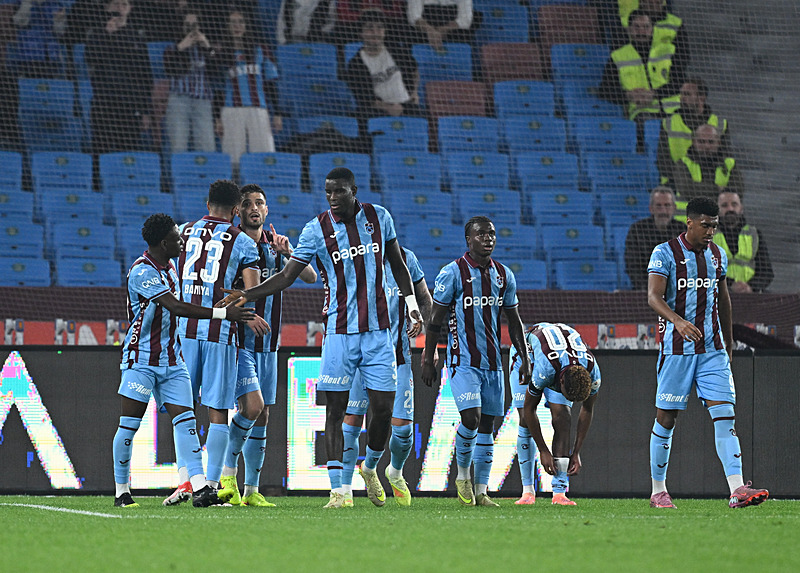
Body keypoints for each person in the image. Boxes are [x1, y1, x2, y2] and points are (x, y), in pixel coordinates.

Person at [215, 167, 423, 509]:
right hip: (339, 334)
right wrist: (247, 296)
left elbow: (398, 264)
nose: (332, 198)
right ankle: (339, 490)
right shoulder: (316, 229)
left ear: (353, 190)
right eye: (328, 193)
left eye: (338, 192)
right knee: (335, 411)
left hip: (379, 334)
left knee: (383, 411)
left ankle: (370, 468)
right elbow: (287, 277)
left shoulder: (378, 217)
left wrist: (413, 306)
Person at [113, 213, 255, 508]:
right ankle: (122, 491)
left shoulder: (172, 267)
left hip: (172, 359)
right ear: (164, 242)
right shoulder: (142, 271)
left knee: (186, 422)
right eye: (178, 238)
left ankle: (201, 487)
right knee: (129, 425)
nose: (182, 242)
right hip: (141, 359)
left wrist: (217, 306)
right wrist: (221, 315)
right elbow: (175, 306)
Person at [646, 196, 769, 509]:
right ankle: (658, 490)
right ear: (690, 222)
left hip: (712, 351)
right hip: (676, 350)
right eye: (706, 225)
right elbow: (653, 297)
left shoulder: (717, 255)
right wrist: (678, 321)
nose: (711, 231)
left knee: (725, 415)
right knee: (666, 419)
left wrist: (727, 343)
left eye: (714, 226)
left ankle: (737, 490)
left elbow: (723, 300)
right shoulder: (665, 253)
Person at [163, 179, 269, 506]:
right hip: (219, 335)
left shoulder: (183, 231)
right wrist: (243, 314)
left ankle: (186, 480)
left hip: (183, 333)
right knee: (217, 410)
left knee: (182, 409)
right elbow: (249, 295)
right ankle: (209, 484)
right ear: (237, 210)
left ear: (208, 204)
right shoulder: (243, 243)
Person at [215, 184, 317, 507]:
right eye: (247, 204)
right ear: (238, 211)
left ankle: (250, 492)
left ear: (267, 210)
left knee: (263, 415)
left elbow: (311, 277)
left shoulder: (275, 247)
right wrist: (244, 317)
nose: (254, 208)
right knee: (252, 407)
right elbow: (219, 292)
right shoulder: (233, 246)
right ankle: (226, 475)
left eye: (259, 203)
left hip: (270, 345)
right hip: (239, 343)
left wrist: (290, 251)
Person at [421, 216, 532, 507]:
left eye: (492, 234)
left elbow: (514, 321)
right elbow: (435, 319)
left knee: (487, 426)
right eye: (481, 234)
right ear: (468, 240)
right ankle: (462, 477)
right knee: (470, 418)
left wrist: (523, 357)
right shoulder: (452, 273)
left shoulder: (504, 275)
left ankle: (482, 491)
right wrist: (428, 357)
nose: (488, 239)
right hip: (462, 361)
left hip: (494, 363)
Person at [340, 246, 433, 507]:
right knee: (352, 421)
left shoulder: (405, 259)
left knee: (403, 430)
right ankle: (345, 490)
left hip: (397, 356)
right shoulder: (354, 256)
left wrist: (431, 344)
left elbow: (425, 299)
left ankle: (389, 471)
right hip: (358, 355)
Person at [509, 323, 601, 506]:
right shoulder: (546, 369)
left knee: (563, 417)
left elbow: (587, 409)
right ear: (560, 382)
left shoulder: (593, 373)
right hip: (526, 356)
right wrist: (543, 450)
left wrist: (576, 452)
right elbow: (530, 409)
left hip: (562, 359)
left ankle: (560, 492)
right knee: (524, 422)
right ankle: (527, 492)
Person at [215, 9, 282, 170]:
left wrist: (278, 114)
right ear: (227, 26)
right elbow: (217, 88)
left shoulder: (261, 50)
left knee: (264, 155)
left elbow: (272, 84)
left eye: (240, 22)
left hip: (259, 109)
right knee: (233, 158)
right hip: (231, 110)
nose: (237, 26)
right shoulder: (220, 53)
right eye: (232, 22)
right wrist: (217, 117)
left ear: (247, 25)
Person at [85, 0, 153, 154]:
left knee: (128, 154)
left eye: (124, 4)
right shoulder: (97, 32)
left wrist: (145, 111)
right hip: (104, 105)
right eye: (116, 4)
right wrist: (107, 35)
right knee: (101, 153)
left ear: (130, 8)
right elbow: (90, 59)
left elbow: (145, 76)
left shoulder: (137, 36)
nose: (119, 8)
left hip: (130, 107)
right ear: (108, 7)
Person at [597, 10, 685, 127]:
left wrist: (655, 94)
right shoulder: (618, 56)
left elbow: (680, 83)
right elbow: (605, 90)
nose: (641, 31)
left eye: (646, 27)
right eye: (636, 27)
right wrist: (628, 96)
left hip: (674, 110)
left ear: (652, 29)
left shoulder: (668, 51)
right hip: (642, 112)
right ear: (629, 30)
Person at [344, 10, 421, 129]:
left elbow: (414, 70)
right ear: (361, 33)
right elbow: (364, 98)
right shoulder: (356, 63)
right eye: (370, 28)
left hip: (407, 106)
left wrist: (415, 92)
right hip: (377, 111)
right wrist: (388, 108)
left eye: (380, 28)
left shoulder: (395, 49)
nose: (375, 33)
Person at [163, 9, 217, 153]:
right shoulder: (172, 48)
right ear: (181, 26)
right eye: (187, 25)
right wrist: (181, 47)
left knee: (207, 147)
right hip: (179, 100)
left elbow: (218, 71)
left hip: (203, 101)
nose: (191, 29)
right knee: (178, 146)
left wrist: (208, 46)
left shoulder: (207, 49)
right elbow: (169, 69)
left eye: (195, 25)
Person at [657, 78, 730, 184]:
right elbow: (663, 161)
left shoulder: (720, 125)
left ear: (701, 98)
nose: (681, 98)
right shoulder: (668, 123)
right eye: (681, 94)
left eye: (687, 94)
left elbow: (726, 159)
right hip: (675, 187)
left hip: (712, 184)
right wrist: (683, 178)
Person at [670, 124, 744, 216]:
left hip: (721, 223)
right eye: (701, 142)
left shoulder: (730, 164)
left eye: (711, 142)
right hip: (689, 222)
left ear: (719, 142)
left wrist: (700, 188)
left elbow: (738, 191)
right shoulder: (683, 163)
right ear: (693, 142)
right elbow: (687, 190)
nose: (706, 146)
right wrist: (719, 190)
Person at [625, 186, 685, 290]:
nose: (663, 211)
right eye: (658, 206)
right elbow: (632, 266)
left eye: (667, 205)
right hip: (647, 291)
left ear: (674, 208)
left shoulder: (683, 231)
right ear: (651, 209)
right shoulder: (637, 230)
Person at [713, 191, 773, 294]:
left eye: (734, 204)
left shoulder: (754, 234)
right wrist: (730, 285)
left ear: (741, 208)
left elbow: (767, 272)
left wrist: (750, 286)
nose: (730, 209)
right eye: (724, 205)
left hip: (750, 296)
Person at [9, 0, 67, 78]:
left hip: (51, 56)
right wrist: (26, 4)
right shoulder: (20, 2)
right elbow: (19, 23)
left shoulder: (56, 4)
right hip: (28, 57)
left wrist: (58, 21)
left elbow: (59, 32)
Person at [408, 0, 476, 51]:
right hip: (424, 35)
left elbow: (465, 20)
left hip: (454, 35)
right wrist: (430, 31)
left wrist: (442, 30)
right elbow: (414, 16)